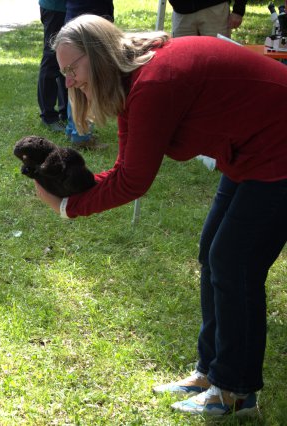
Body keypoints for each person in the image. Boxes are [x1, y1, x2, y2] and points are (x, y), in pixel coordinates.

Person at [35, 15, 287, 416]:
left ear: (97, 56)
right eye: (63, 72)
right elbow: (124, 168)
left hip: (278, 149)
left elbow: (134, 182)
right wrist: (75, 188)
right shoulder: (132, 80)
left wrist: (69, 207)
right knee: (213, 252)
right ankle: (211, 372)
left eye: (72, 69)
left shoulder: (153, 84)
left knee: (233, 261)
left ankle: (236, 392)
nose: (68, 82)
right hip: (250, 151)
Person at [63, 0, 113, 149]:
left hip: (80, 21)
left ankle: (74, 129)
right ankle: (81, 135)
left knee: (78, 81)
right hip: (87, 26)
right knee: (83, 81)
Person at [37, 0, 68, 133]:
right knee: (51, 58)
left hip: (68, 8)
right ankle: (48, 116)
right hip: (55, 8)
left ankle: (65, 111)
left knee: (67, 58)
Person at [169, 0, 247, 38]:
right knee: (182, 60)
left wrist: (238, 10)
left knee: (219, 60)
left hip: (215, 9)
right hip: (181, 12)